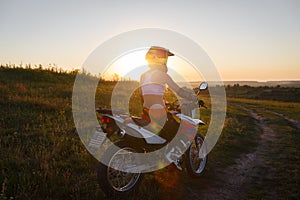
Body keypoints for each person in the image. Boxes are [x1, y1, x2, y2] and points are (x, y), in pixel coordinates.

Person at [139, 46, 198, 169]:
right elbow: (178, 91)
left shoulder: (143, 76)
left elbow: (145, 95)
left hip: (146, 112)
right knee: (179, 131)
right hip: (159, 113)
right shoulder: (162, 75)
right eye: (165, 58)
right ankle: (173, 158)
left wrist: (162, 103)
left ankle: (160, 155)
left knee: (165, 132)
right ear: (160, 59)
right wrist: (193, 97)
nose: (166, 61)